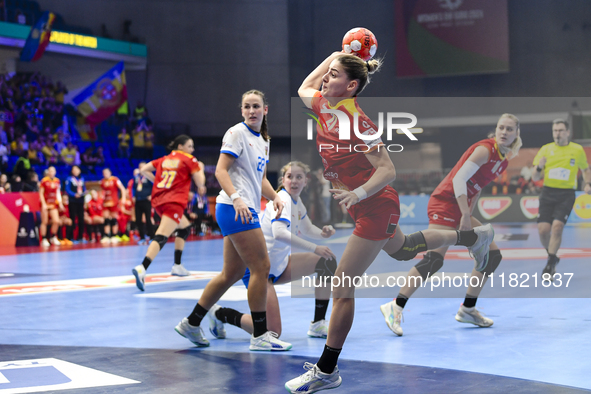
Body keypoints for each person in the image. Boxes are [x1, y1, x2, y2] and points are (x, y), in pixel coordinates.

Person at [285, 52, 495, 393]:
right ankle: (473, 238)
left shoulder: (359, 122)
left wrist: (360, 193)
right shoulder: (323, 104)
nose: (326, 77)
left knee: (342, 287)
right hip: (361, 206)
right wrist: (335, 56)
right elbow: (304, 86)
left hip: (376, 206)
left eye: (334, 74)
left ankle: (327, 370)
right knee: (405, 249)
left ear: (351, 86)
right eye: (328, 72)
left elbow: (388, 169)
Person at [380, 114, 523, 336]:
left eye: (509, 129)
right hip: (446, 203)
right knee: (434, 259)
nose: (504, 132)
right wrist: (465, 214)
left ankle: (468, 308)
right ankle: (395, 306)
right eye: (501, 128)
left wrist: (469, 213)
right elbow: (459, 180)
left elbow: (477, 187)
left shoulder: (503, 161)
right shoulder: (486, 150)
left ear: (516, 133)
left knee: (492, 256)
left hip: (460, 208)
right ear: (495, 130)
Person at [174, 90, 292, 351]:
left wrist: (275, 197)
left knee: (232, 273)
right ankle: (260, 335)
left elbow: (258, 178)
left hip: (240, 209)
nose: (252, 111)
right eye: (247, 107)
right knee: (261, 267)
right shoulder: (236, 133)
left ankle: (191, 323)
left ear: (265, 110)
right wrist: (237, 198)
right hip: (236, 209)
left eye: (256, 106)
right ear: (242, 110)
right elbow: (220, 170)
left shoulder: (263, 139)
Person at [208, 161, 337, 340]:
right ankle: (220, 314)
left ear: (306, 181)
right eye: (290, 177)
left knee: (326, 262)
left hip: (279, 265)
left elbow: (307, 229)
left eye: (299, 177)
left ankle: (317, 324)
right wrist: (315, 248)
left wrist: (323, 233)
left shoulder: (297, 202)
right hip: (259, 271)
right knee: (272, 331)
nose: (294, 181)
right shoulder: (282, 199)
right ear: (282, 180)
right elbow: (279, 233)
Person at [131, 134, 206, 287]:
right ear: (180, 147)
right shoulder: (189, 160)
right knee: (162, 235)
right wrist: (201, 168)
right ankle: (142, 267)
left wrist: (158, 182)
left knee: (184, 228)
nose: (192, 149)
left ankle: (177, 265)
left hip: (159, 200)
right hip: (174, 202)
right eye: (189, 146)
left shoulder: (164, 159)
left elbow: (144, 170)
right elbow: (200, 183)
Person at [532, 119, 591, 279]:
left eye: (560, 130)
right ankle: (552, 256)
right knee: (543, 230)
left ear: (567, 132)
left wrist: (587, 183)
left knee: (557, 227)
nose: (557, 133)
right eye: (555, 131)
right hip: (548, 192)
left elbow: (585, 169)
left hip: (566, 194)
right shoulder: (545, 149)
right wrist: (539, 167)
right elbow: (535, 176)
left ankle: (550, 265)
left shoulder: (577, 150)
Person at [99, 168, 127, 244]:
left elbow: (122, 189)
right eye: (104, 173)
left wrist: (123, 198)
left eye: (107, 172)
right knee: (106, 219)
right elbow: (102, 191)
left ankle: (114, 235)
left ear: (110, 172)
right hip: (105, 203)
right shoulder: (102, 181)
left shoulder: (115, 180)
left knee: (114, 219)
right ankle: (106, 236)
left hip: (114, 202)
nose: (105, 174)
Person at [130, 162, 154, 244]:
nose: (142, 168)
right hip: (138, 201)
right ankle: (142, 238)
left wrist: (152, 195)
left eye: (143, 167)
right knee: (138, 220)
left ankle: (152, 237)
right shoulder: (136, 177)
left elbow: (155, 186)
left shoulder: (149, 176)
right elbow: (133, 188)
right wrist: (133, 196)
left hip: (146, 201)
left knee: (148, 219)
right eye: (140, 167)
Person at [39, 166, 63, 246]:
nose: (51, 172)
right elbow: (41, 193)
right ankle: (44, 239)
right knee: (44, 222)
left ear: (55, 172)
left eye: (53, 171)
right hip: (46, 203)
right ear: (48, 172)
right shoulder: (44, 181)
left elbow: (58, 193)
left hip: (53, 204)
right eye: (50, 171)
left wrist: (60, 203)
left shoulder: (57, 181)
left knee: (56, 221)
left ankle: (53, 237)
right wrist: (44, 204)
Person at [64, 165, 86, 244]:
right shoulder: (69, 179)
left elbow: (84, 188)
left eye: (77, 169)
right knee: (72, 218)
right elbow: (67, 189)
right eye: (74, 170)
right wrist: (74, 195)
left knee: (81, 219)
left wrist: (84, 193)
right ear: (72, 171)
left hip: (80, 201)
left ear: (79, 170)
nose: (76, 171)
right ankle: (71, 237)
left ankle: (80, 237)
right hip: (73, 201)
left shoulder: (82, 179)